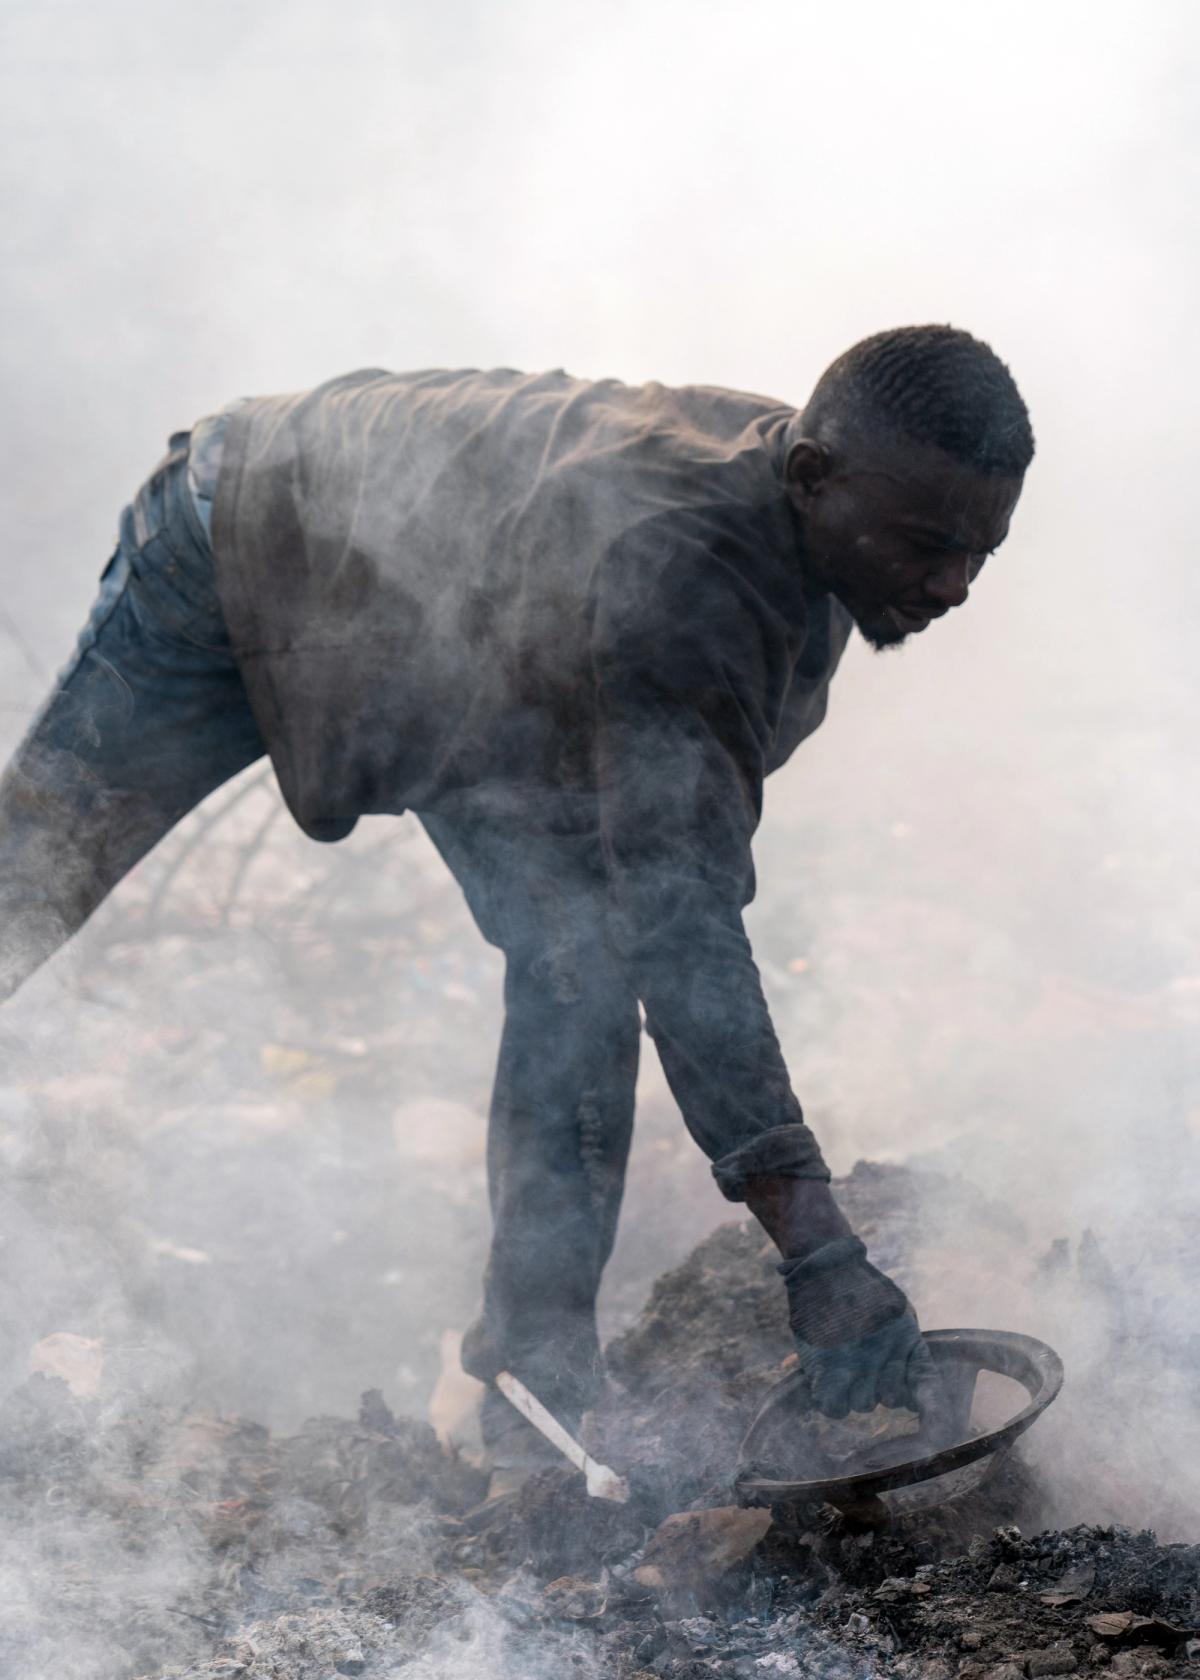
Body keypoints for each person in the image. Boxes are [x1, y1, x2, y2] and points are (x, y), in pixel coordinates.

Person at [0, 326, 1031, 1465]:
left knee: (573, 965)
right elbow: (683, 924)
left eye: (983, 551)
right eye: (931, 546)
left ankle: (535, 1393)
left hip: (466, 652)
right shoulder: (693, 571)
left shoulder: (822, 539)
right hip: (245, 534)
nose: (956, 586)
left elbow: (652, 898)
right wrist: (821, 1256)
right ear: (809, 479)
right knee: (31, 879)